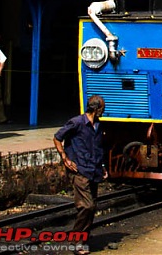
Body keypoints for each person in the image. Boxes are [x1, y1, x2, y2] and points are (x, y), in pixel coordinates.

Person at [54, 95, 107, 254]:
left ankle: (82, 240)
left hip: (94, 170)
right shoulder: (76, 123)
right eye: (103, 108)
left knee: (92, 207)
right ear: (96, 109)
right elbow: (57, 138)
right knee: (86, 206)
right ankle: (76, 241)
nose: (104, 110)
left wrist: (103, 166)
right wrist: (65, 158)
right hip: (80, 170)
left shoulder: (98, 125)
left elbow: (99, 148)